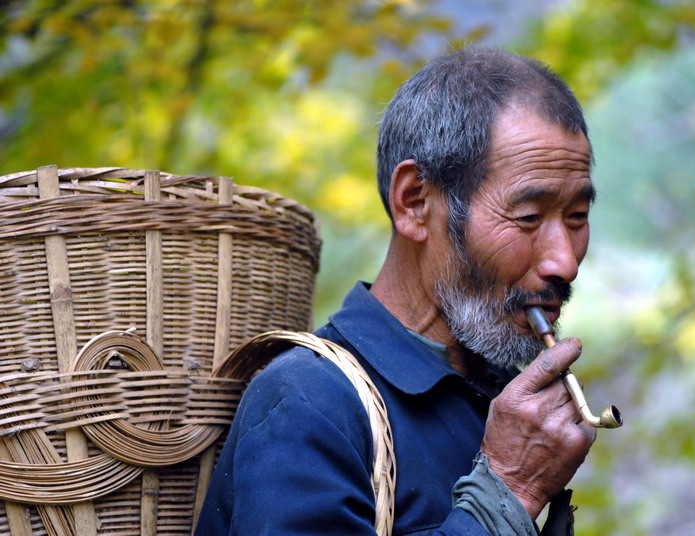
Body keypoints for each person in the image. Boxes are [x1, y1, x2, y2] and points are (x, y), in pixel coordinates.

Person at [197, 47, 597, 535]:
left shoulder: (500, 401)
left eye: (577, 217)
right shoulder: (309, 400)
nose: (566, 261)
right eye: (529, 217)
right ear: (415, 202)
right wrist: (509, 492)